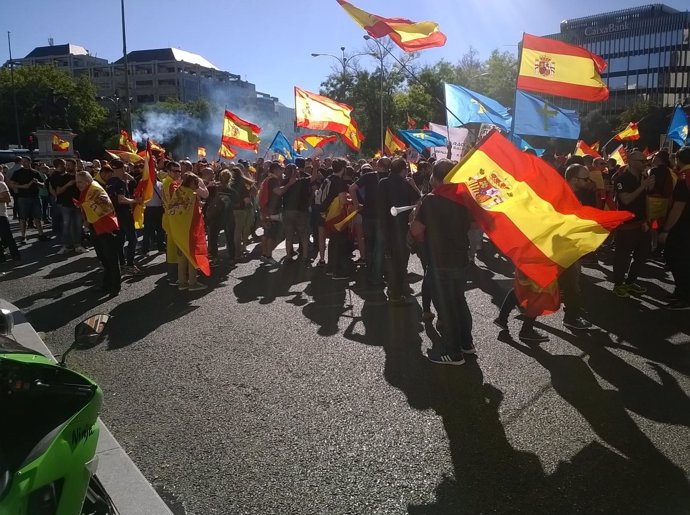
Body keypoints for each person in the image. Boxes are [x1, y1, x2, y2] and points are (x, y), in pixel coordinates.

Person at [410, 159, 473, 365]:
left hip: (440, 261)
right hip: (461, 259)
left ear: (435, 178)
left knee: (445, 307)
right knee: (459, 301)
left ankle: (452, 352)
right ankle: (466, 343)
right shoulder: (464, 198)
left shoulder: (431, 200)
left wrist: (415, 222)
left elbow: (417, 230)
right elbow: (472, 225)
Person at [378, 157, 420, 304]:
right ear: (403, 170)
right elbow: (418, 201)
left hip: (384, 228)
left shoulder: (382, 183)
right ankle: (396, 293)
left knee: (389, 259)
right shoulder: (404, 184)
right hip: (401, 228)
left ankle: (391, 287)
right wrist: (413, 185)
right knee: (401, 262)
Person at [612, 150, 654, 297]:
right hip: (627, 225)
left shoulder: (644, 177)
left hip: (642, 223)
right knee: (622, 256)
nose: (645, 164)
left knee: (642, 255)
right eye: (641, 161)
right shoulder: (621, 179)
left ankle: (630, 282)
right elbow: (626, 200)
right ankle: (618, 284)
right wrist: (643, 186)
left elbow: (647, 199)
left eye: (645, 161)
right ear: (630, 161)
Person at [74, 171, 120, 296]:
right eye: (77, 182)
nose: (78, 185)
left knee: (111, 258)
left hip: (105, 227)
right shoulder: (86, 191)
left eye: (80, 182)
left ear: (87, 181)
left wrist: (87, 207)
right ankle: (107, 283)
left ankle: (115, 287)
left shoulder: (95, 189)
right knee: (103, 258)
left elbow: (107, 207)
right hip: (95, 226)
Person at [658, 147, 690, 310]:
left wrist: (666, 230)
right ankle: (681, 291)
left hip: (683, 226)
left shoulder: (684, 178)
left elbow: (678, 207)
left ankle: (685, 297)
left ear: (678, 159)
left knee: (676, 259)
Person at [168, 172, 209, 291]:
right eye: (196, 183)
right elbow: (196, 214)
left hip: (178, 229)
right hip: (189, 230)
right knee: (191, 255)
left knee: (181, 256)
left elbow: (172, 208)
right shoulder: (192, 194)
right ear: (191, 182)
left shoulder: (178, 191)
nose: (197, 185)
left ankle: (182, 282)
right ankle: (193, 282)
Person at [106, 159, 143, 275]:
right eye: (124, 168)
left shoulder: (109, 181)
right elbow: (121, 199)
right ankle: (130, 265)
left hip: (114, 213)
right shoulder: (120, 182)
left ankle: (121, 264)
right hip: (124, 213)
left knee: (120, 240)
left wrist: (128, 178)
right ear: (121, 168)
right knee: (132, 239)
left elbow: (132, 182)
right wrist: (135, 200)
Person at [350, 162, 384, 286]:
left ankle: (370, 273)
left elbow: (352, 188)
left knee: (369, 244)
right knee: (379, 247)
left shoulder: (367, 178)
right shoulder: (387, 177)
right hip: (380, 217)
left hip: (367, 215)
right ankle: (377, 275)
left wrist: (356, 206)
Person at [259, 161, 295, 265]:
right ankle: (268, 255)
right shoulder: (273, 180)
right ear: (275, 170)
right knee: (272, 235)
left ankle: (264, 254)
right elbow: (279, 192)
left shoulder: (267, 179)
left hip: (266, 209)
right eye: (280, 169)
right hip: (272, 210)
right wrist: (289, 184)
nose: (282, 171)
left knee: (266, 233)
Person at [49, 158, 86, 255]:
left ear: (75, 166)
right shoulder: (62, 177)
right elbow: (58, 191)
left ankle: (78, 245)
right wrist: (68, 184)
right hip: (66, 204)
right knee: (66, 225)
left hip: (78, 204)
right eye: (67, 165)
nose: (67, 166)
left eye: (70, 165)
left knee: (78, 226)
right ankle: (66, 245)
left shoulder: (80, 176)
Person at [9, 157, 49, 243]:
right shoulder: (18, 173)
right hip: (22, 197)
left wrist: (37, 182)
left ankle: (41, 234)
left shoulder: (36, 172)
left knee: (37, 217)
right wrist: (23, 186)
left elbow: (43, 184)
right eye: (23, 162)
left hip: (35, 197)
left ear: (30, 162)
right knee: (23, 218)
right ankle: (23, 236)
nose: (24, 163)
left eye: (26, 161)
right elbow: (11, 184)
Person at [282, 160, 312, 263]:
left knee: (289, 235)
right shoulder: (302, 181)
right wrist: (316, 168)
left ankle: (288, 256)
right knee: (303, 234)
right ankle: (304, 256)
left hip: (288, 211)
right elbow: (313, 178)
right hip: (301, 211)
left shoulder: (284, 182)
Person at [207, 169, 236, 265]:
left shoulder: (214, 188)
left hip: (216, 216)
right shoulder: (232, 191)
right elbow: (237, 204)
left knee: (214, 238)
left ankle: (215, 257)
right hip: (228, 216)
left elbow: (208, 199)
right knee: (230, 238)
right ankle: (232, 258)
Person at [229, 166, 254, 261]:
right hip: (240, 210)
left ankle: (231, 252)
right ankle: (237, 254)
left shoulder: (228, 185)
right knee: (238, 232)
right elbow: (247, 200)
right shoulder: (242, 186)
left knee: (231, 232)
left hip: (228, 211)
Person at [141, 176, 165, 254]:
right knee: (147, 230)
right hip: (149, 209)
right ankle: (145, 249)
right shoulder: (145, 185)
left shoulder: (161, 184)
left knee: (160, 230)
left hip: (159, 209)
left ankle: (161, 247)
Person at [0, 171, 20, 263]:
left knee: (7, 237)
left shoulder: (1, 184)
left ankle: (15, 255)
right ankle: (1, 257)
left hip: (1, 215)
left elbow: (7, 199)